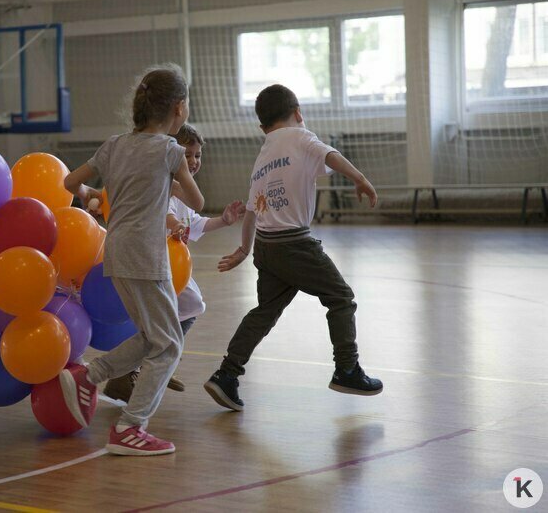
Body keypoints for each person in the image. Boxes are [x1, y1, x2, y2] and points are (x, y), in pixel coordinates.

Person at [203, 84, 383, 412]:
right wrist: (360, 178)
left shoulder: (262, 157)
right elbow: (331, 154)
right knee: (341, 298)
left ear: (262, 127)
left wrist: (244, 249)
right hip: (294, 244)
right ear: (298, 113)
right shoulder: (301, 137)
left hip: (266, 248)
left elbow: (252, 210)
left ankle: (226, 375)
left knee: (264, 312)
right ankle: (347, 369)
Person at [61, 64, 204, 456]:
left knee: (151, 335)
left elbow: (69, 183)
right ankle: (130, 427)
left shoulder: (114, 145)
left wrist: (94, 195)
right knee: (170, 345)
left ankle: (89, 377)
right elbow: (197, 203)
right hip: (145, 254)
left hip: (117, 252)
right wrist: (173, 180)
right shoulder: (170, 151)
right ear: (178, 108)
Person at [103, 123, 245, 402]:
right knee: (185, 308)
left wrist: (223, 221)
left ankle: (137, 371)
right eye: (187, 155)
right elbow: (164, 214)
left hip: (171, 264)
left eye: (198, 155)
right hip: (152, 260)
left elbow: (194, 224)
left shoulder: (185, 187)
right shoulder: (161, 182)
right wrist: (176, 224)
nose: (193, 162)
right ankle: (154, 364)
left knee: (173, 315)